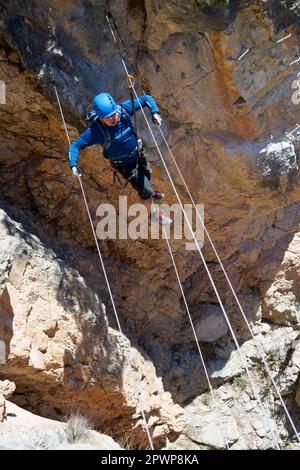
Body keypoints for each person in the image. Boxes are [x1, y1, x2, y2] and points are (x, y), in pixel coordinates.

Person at [69, 92, 171, 224]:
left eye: (114, 114)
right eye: (109, 118)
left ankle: (148, 194)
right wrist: (73, 164)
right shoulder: (96, 131)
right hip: (124, 165)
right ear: (100, 117)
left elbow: (146, 99)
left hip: (138, 153)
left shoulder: (122, 110)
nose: (114, 118)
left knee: (147, 176)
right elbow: (75, 145)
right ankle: (153, 214)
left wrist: (154, 112)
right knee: (146, 190)